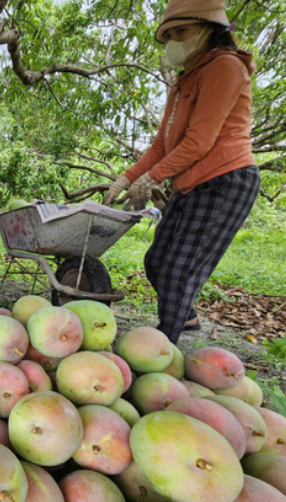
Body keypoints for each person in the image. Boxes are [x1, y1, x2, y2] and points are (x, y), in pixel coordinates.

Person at [103, 0, 260, 344]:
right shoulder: (183, 82)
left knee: (178, 270)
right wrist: (127, 177)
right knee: (157, 260)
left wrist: (153, 178)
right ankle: (185, 318)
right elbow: (161, 146)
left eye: (182, 32)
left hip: (224, 180)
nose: (174, 41)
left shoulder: (225, 67)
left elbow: (199, 141)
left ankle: (163, 346)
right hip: (192, 183)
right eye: (170, 35)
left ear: (209, 29)